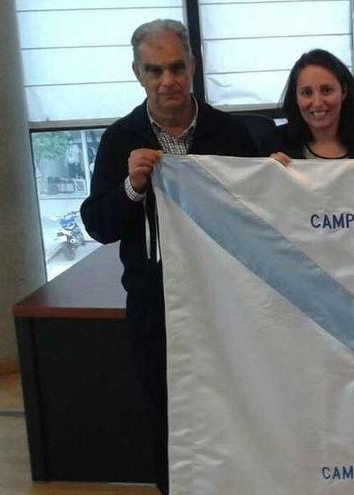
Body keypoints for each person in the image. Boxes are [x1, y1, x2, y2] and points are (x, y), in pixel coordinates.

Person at [79, 19, 258, 494]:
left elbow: (260, 216)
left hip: (226, 305)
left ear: (193, 67)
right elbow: (98, 225)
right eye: (155, 70)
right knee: (165, 415)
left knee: (236, 407)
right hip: (155, 308)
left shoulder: (233, 134)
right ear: (138, 73)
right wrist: (131, 186)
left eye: (176, 67)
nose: (168, 80)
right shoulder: (120, 139)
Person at [270, 49, 354, 165]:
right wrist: (268, 172)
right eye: (307, 93)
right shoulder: (274, 144)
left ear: (343, 91)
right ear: (295, 97)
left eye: (326, 90)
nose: (317, 103)